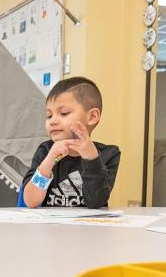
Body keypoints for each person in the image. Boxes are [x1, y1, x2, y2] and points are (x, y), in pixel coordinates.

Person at [21, 76, 120, 208]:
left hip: (89, 227)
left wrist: (91, 158)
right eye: (49, 116)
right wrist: (49, 161)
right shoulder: (45, 151)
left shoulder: (108, 154)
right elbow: (31, 201)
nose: (53, 121)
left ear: (92, 117)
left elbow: (96, 202)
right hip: (51, 227)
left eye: (64, 113)